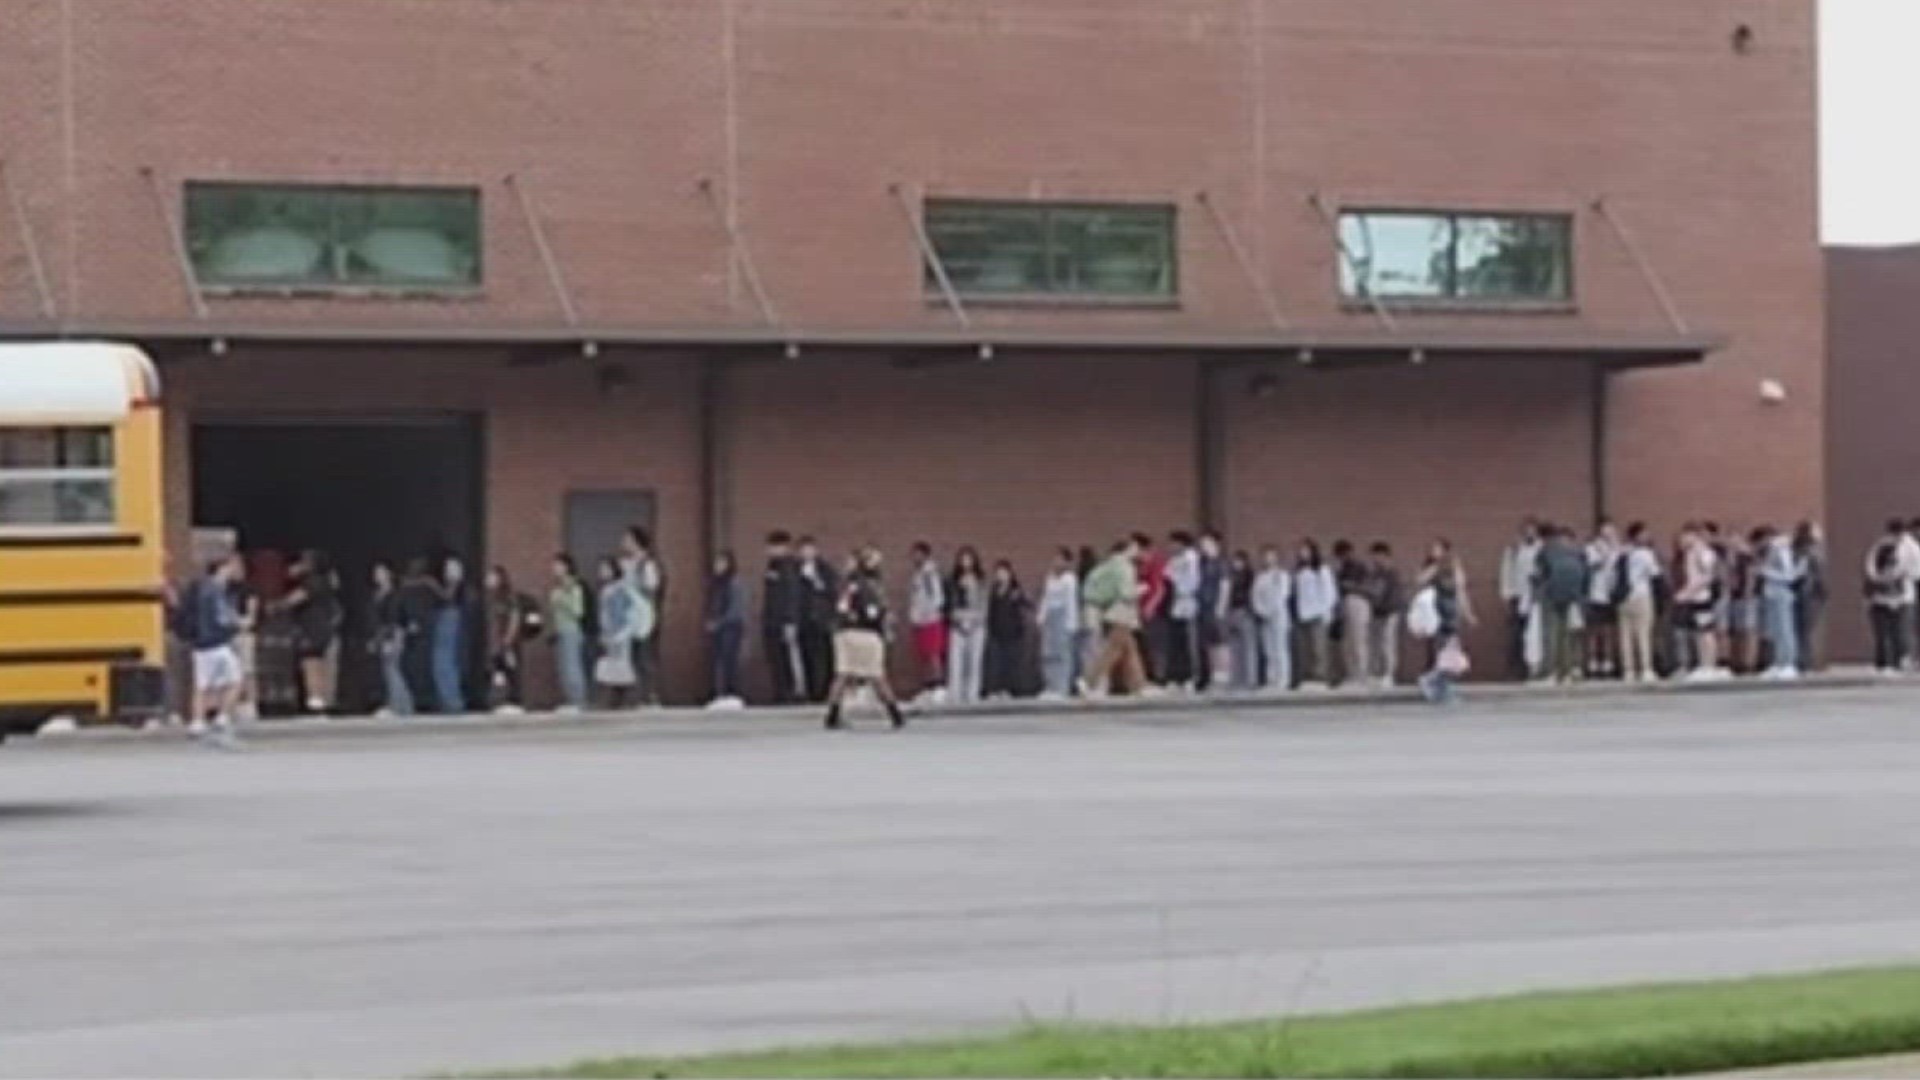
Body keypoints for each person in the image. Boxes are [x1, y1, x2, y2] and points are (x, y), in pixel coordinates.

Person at [824, 546, 907, 730]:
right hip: (866, 632)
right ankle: (895, 714)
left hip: (843, 632)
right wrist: (884, 619)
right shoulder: (869, 586)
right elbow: (872, 612)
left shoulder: (847, 584)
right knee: (877, 674)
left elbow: (840, 608)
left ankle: (832, 714)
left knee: (842, 673)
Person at [182, 554, 246, 744]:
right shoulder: (215, 590)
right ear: (223, 567)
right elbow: (221, 618)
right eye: (234, 565)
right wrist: (237, 624)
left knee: (203, 685)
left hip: (202, 643)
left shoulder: (204, 587)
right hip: (216, 642)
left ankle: (198, 722)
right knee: (235, 680)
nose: (238, 569)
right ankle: (221, 718)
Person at [1080, 537, 1146, 697]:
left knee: (1130, 650)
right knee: (1112, 650)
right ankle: (1090, 681)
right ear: (1127, 549)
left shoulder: (1107, 565)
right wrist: (1141, 589)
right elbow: (1125, 593)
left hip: (1110, 611)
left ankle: (1139, 685)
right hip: (1123, 612)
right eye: (1134, 548)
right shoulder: (1125, 566)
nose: (1137, 552)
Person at [1415, 539, 1476, 705]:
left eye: (1437, 548)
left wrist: (1467, 613)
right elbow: (1419, 581)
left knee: (1451, 653)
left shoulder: (1454, 568)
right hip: (1435, 614)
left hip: (1450, 613)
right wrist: (1434, 567)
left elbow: (1460, 591)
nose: (1433, 551)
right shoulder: (1431, 567)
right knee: (1440, 651)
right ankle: (1435, 683)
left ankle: (1441, 685)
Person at [284, 549, 341, 716]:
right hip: (323, 626)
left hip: (313, 628)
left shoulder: (313, 582)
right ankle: (322, 699)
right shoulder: (327, 581)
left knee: (311, 662)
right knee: (320, 662)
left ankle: (315, 701)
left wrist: (275, 606)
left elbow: (294, 599)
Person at [1534, 525, 1587, 685]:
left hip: (1551, 594)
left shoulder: (1545, 550)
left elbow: (1540, 573)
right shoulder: (1577, 551)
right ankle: (1568, 671)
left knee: (1550, 632)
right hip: (1573, 595)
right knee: (1567, 634)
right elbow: (1586, 573)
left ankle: (1551, 671)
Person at [619, 527, 666, 706]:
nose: (624, 543)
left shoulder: (647, 563)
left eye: (628, 539)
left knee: (645, 655)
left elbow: (652, 587)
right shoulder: (625, 563)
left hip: (643, 615)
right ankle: (636, 695)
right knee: (631, 657)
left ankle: (651, 694)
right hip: (628, 616)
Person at [484, 565, 535, 712]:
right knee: (499, 672)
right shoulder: (492, 599)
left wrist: (508, 638)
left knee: (511, 670)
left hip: (509, 642)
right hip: (497, 643)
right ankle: (502, 700)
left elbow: (515, 617)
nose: (488, 580)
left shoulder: (508, 597)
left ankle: (516, 700)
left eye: (491, 577)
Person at [1675, 524, 1723, 680]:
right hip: (1694, 597)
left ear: (1693, 535)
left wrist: (1688, 592)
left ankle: (1709, 665)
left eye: (1684, 537)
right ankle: (1703, 664)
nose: (1681, 541)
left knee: (1706, 631)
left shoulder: (1703, 552)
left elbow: (1706, 576)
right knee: (1699, 632)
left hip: (1702, 597)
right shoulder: (1690, 553)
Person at [1616, 523, 1663, 684]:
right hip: (1641, 595)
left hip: (1623, 597)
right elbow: (1655, 574)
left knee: (1625, 635)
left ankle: (1628, 670)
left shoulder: (1621, 552)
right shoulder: (1645, 554)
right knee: (1643, 633)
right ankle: (1646, 668)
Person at [1756, 525, 1803, 679]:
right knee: (1774, 631)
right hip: (1771, 594)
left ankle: (1788, 663)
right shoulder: (1771, 552)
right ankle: (1777, 662)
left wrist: (1766, 572)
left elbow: (1790, 575)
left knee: (1785, 630)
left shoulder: (1782, 552)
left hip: (1782, 594)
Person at [1499, 518, 1543, 681]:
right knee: (1516, 635)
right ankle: (1516, 670)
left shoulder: (1542, 549)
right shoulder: (1514, 550)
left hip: (1537, 597)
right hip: (1518, 596)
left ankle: (1536, 668)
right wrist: (1507, 593)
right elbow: (1506, 572)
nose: (1529, 534)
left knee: (1536, 635)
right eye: (1526, 531)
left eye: (1532, 531)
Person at [396, 558, 441, 713]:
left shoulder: (407, 589)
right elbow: (441, 603)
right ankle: (426, 700)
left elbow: (400, 609)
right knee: (424, 667)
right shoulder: (430, 587)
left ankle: (420, 700)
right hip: (427, 631)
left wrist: (406, 623)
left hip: (414, 632)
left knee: (411, 667)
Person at [705, 550, 749, 706]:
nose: (717, 566)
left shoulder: (734, 582)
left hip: (731, 627)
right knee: (719, 660)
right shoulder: (716, 583)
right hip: (720, 627)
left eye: (721, 562)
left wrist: (719, 622)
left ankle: (731, 691)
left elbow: (735, 608)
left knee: (729, 660)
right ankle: (720, 691)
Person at [945, 546, 988, 704]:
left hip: (976, 622)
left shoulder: (981, 580)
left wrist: (977, 620)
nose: (966, 562)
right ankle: (955, 693)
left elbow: (983, 603)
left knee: (974, 660)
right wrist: (957, 620)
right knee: (956, 660)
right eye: (963, 559)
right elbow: (950, 603)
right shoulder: (953, 581)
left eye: (969, 559)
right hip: (958, 622)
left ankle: (972, 693)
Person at [370, 561, 413, 717]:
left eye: (380, 572)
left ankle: (400, 704)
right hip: (384, 632)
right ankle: (398, 703)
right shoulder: (379, 593)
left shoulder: (394, 594)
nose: (377, 576)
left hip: (393, 632)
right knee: (388, 669)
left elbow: (392, 617)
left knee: (392, 668)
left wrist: (388, 637)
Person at [1865, 521, 1910, 674]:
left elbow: (1871, 571)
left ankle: (1888, 662)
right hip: (1893, 596)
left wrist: (1879, 580)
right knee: (1892, 631)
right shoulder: (1891, 548)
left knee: (1887, 631)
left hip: (1887, 596)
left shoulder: (1879, 547)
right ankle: (1891, 661)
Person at [1037, 548, 1081, 699]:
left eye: (1060, 559)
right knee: (1048, 653)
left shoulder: (1069, 579)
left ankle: (1062, 687)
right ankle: (1050, 685)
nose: (1056, 562)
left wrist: (1071, 623)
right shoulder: (1050, 578)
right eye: (1055, 559)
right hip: (1051, 616)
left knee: (1062, 653)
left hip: (1063, 616)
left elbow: (1071, 602)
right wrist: (1041, 617)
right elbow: (1046, 598)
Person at [1292, 539, 1336, 689]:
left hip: (1318, 613)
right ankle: (1308, 675)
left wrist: (1325, 611)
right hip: (1303, 614)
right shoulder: (1300, 571)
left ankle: (1321, 676)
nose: (1302, 553)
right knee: (1306, 648)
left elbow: (1329, 593)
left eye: (1305, 550)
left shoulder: (1321, 570)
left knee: (1319, 648)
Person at [907, 542, 947, 703]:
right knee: (923, 655)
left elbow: (937, 598)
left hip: (930, 620)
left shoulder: (930, 574)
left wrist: (927, 614)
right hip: (919, 621)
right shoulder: (917, 574)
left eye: (917, 554)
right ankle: (929, 685)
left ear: (925, 555)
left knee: (933, 654)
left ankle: (939, 686)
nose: (915, 558)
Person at [983, 560, 1030, 699]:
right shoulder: (994, 591)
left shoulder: (1016, 590)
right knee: (996, 662)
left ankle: (1010, 689)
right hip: (997, 632)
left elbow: (1026, 606)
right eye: (998, 572)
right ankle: (995, 689)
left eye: (1004, 572)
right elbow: (991, 610)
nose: (1001, 575)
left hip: (1013, 633)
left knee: (1011, 662)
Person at [548, 554, 589, 713]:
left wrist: (561, 600)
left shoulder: (573, 586)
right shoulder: (557, 587)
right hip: (560, 629)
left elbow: (578, 611)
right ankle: (569, 698)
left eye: (557, 565)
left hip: (571, 629)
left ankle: (578, 700)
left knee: (572, 665)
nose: (554, 569)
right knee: (563, 666)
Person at [430, 556, 471, 713]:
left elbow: (448, 598)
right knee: (444, 660)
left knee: (444, 660)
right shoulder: (460, 589)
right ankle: (449, 699)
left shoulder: (456, 588)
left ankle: (452, 700)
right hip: (449, 618)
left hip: (449, 617)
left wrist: (433, 587)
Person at [1251, 546, 1292, 692]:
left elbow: (1282, 595)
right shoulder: (1260, 577)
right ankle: (1271, 678)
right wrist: (1261, 610)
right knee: (1268, 649)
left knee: (1280, 647)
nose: (1268, 559)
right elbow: (1255, 596)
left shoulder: (1281, 575)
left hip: (1278, 614)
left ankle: (1282, 679)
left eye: (1270, 556)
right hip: (1265, 616)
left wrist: (1272, 610)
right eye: (1265, 556)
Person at [1584, 520, 1622, 679]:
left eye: (1612, 531)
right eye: (1606, 531)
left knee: (1609, 631)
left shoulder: (1619, 548)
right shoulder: (1592, 548)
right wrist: (1605, 553)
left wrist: (1616, 548)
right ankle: (1593, 663)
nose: (1609, 534)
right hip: (1596, 594)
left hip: (1612, 594)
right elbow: (1593, 565)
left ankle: (1608, 662)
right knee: (1594, 631)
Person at [1162, 531, 1200, 690]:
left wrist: (1179, 586)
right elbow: (1167, 575)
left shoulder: (1190, 558)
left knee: (1187, 642)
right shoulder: (1173, 560)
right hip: (1175, 604)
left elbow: (1192, 581)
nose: (1171, 547)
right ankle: (1176, 675)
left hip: (1186, 602)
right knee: (1175, 643)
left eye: (1174, 543)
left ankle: (1190, 675)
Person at [1332, 539, 1371, 689]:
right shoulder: (1342, 569)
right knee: (1348, 642)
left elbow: (1365, 586)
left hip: (1358, 600)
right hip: (1345, 602)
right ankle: (1351, 673)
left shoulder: (1359, 567)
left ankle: (1361, 674)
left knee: (1358, 640)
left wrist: (1350, 585)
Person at [1134, 533, 1170, 686]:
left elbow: (1159, 587)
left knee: (1155, 643)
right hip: (1140, 607)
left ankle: (1159, 674)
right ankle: (1148, 673)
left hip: (1154, 610)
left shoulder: (1156, 563)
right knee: (1144, 643)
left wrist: (1151, 606)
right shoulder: (1139, 564)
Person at [1367, 542, 1405, 688]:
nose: (1375, 560)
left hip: (1390, 611)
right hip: (1378, 612)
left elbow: (1395, 595)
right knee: (1376, 643)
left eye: (1377, 556)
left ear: (1385, 556)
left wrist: (1390, 608)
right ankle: (1376, 673)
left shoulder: (1392, 573)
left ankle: (1389, 674)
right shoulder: (1375, 574)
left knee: (1388, 643)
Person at [1195, 531, 1228, 692]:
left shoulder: (1220, 564)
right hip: (1203, 607)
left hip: (1214, 607)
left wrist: (1220, 607)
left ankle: (1222, 673)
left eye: (1207, 544)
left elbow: (1224, 586)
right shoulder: (1202, 564)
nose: (1203, 548)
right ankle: (1208, 674)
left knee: (1218, 641)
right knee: (1205, 642)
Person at [1793, 521, 1828, 672]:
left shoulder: (1796, 551)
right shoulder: (1812, 553)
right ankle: (1807, 661)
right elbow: (1819, 575)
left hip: (1802, 592)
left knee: (1803, 629)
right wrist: (1823, 591)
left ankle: (1804, 660)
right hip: (1809, 593)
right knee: (1807, 629)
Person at [1726, 531, 1760, 675]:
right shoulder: (1731, 557)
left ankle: (1749, 663)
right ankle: (1738, 661)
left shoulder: (1747, 558)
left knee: (1749, 630)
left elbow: (1751, 576)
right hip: (1735, 596)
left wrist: (1748, 593)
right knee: (1738, 630)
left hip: (1747, 598)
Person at [1225, 549, 1259, 691]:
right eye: (1235, 561)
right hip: (1232, 611)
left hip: (1245, 611)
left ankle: (1250, 678)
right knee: (1235, 647)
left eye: (1239, 561)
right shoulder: (1232, 577)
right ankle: (1236, 677)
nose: (1236, 564)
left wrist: (1251, 610)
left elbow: (1252, 594)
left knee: (1248, 646)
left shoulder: (1249, 576)